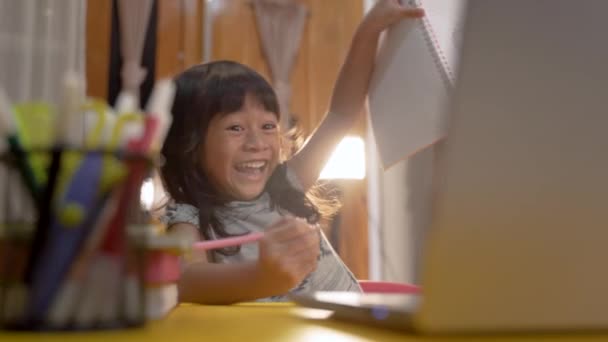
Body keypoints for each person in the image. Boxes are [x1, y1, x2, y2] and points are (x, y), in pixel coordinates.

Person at [159, 0, 424, 304]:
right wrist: (262, 277)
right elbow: (184, 277)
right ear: (190, 147)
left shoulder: (285, 184)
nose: (257, 142)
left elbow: (341, 114)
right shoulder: (188, 215)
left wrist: (369, 30)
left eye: (268, 126)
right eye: (235, 128)